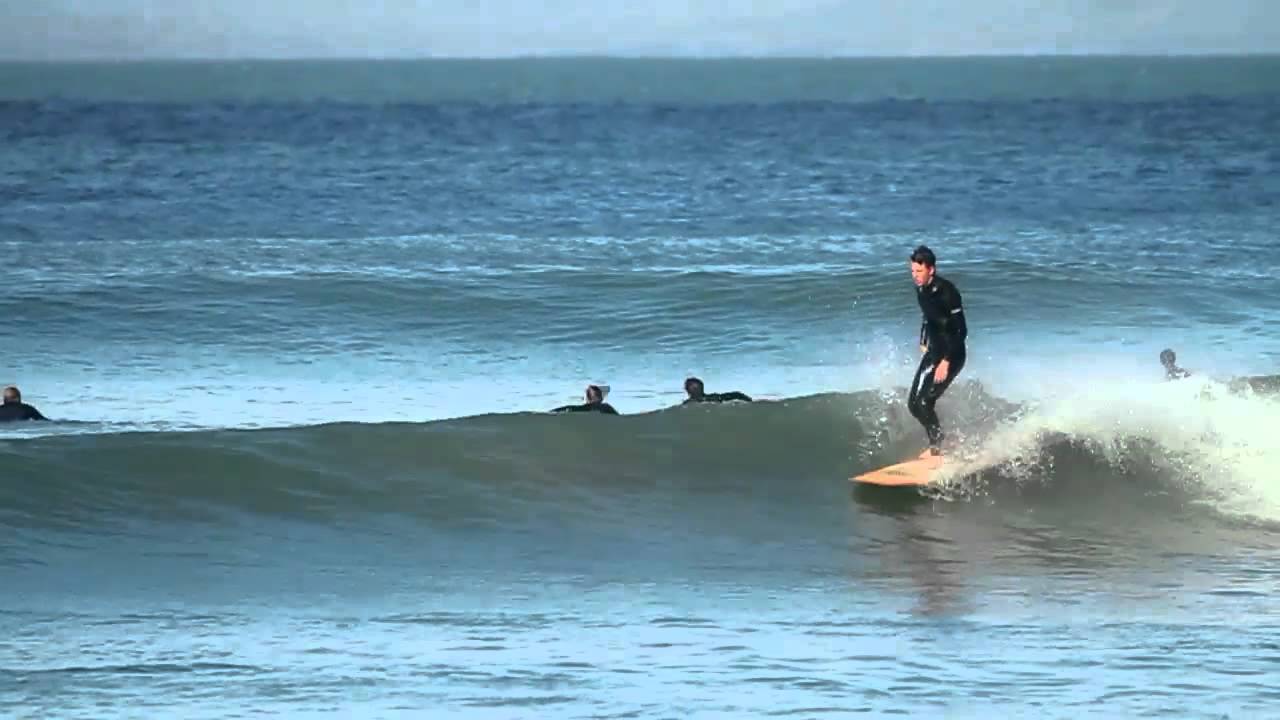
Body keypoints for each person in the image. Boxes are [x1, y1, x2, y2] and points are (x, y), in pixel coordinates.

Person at [907, 246, 967, 456]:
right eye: (912, 271)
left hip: (953, 354)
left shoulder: (947, 292)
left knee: (925, 402)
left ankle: (937, 445)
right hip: (933, 352)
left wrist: (947, 361)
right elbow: (927, 315)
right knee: (913, 404)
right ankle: (938, 439)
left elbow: (962, 330)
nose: (915, 276)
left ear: (931, 270)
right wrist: (923, 338)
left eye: (919, 271)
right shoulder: (920, 288)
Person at [551, 384, 619, 414]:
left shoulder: (606, 407)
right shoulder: (586, 408)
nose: (600, 399)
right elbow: (570, 408)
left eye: (599, 396)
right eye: (597, 396)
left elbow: (618, 418)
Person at [682, 377, 752, 404]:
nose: (695, 388)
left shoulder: (687, 403)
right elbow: (736, 394)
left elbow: (736, 394)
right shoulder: (713, 397)